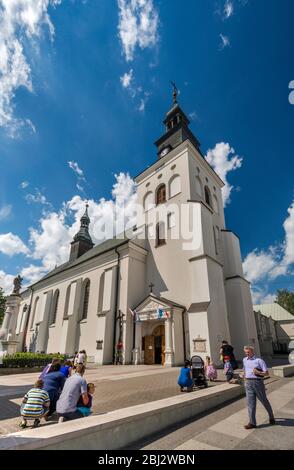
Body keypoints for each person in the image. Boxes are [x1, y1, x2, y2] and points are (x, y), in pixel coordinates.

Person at [242, 345, 275, 430]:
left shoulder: (259, 361)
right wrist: (244, 378)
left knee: (264, 400)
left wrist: (258, 373)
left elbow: (267, 373)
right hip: (248, 382)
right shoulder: (244, 360)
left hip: (257, 382)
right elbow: (245, 370)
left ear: (252, 352)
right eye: (245, 352)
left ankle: (271, 416)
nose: (247, 354)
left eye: (248, 352)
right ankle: (252, 423)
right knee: (250, 403)